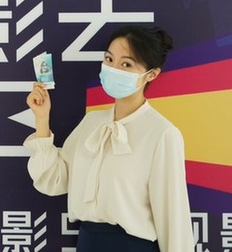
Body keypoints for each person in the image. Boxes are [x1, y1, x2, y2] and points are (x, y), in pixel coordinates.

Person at [24, 25, 194, 252]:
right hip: (87, 244)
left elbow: (174, 218)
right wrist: (42, 118)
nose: (113, 69)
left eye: (126, 64)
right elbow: (54, 179)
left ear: (152, 74)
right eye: (109, 59)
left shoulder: (162, 133)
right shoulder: (92, 123)